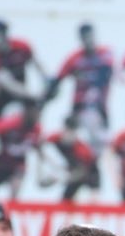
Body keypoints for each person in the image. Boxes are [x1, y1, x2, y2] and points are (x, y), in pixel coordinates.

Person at [46, 23, 115, 154]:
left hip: (98, 108)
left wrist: (92, 86)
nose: (88, 41)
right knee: (69, 140)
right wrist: (47, 91)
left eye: (90, 36)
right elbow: (59, 77)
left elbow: (105, 74)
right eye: (85, 38)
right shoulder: (75, 58)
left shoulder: (104, 54)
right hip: (78, 107)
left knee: (98, 142)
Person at [0, 19, 46, 119]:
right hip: (2, 98)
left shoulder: (22, 46)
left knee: (33, 117)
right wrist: (32, 95)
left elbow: (37, 65)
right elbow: (7, 82)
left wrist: (46, 82)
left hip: (22, 92)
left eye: (0, 34)